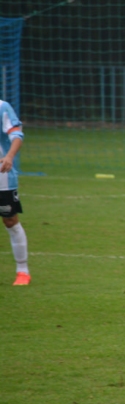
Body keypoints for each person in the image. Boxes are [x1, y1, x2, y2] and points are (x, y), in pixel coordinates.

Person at [0, 100, 30, 286]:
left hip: (2, 177)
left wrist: (9, 156)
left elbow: (17, 135)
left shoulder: (2, 107)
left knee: (10, 220)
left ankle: (23, 271)